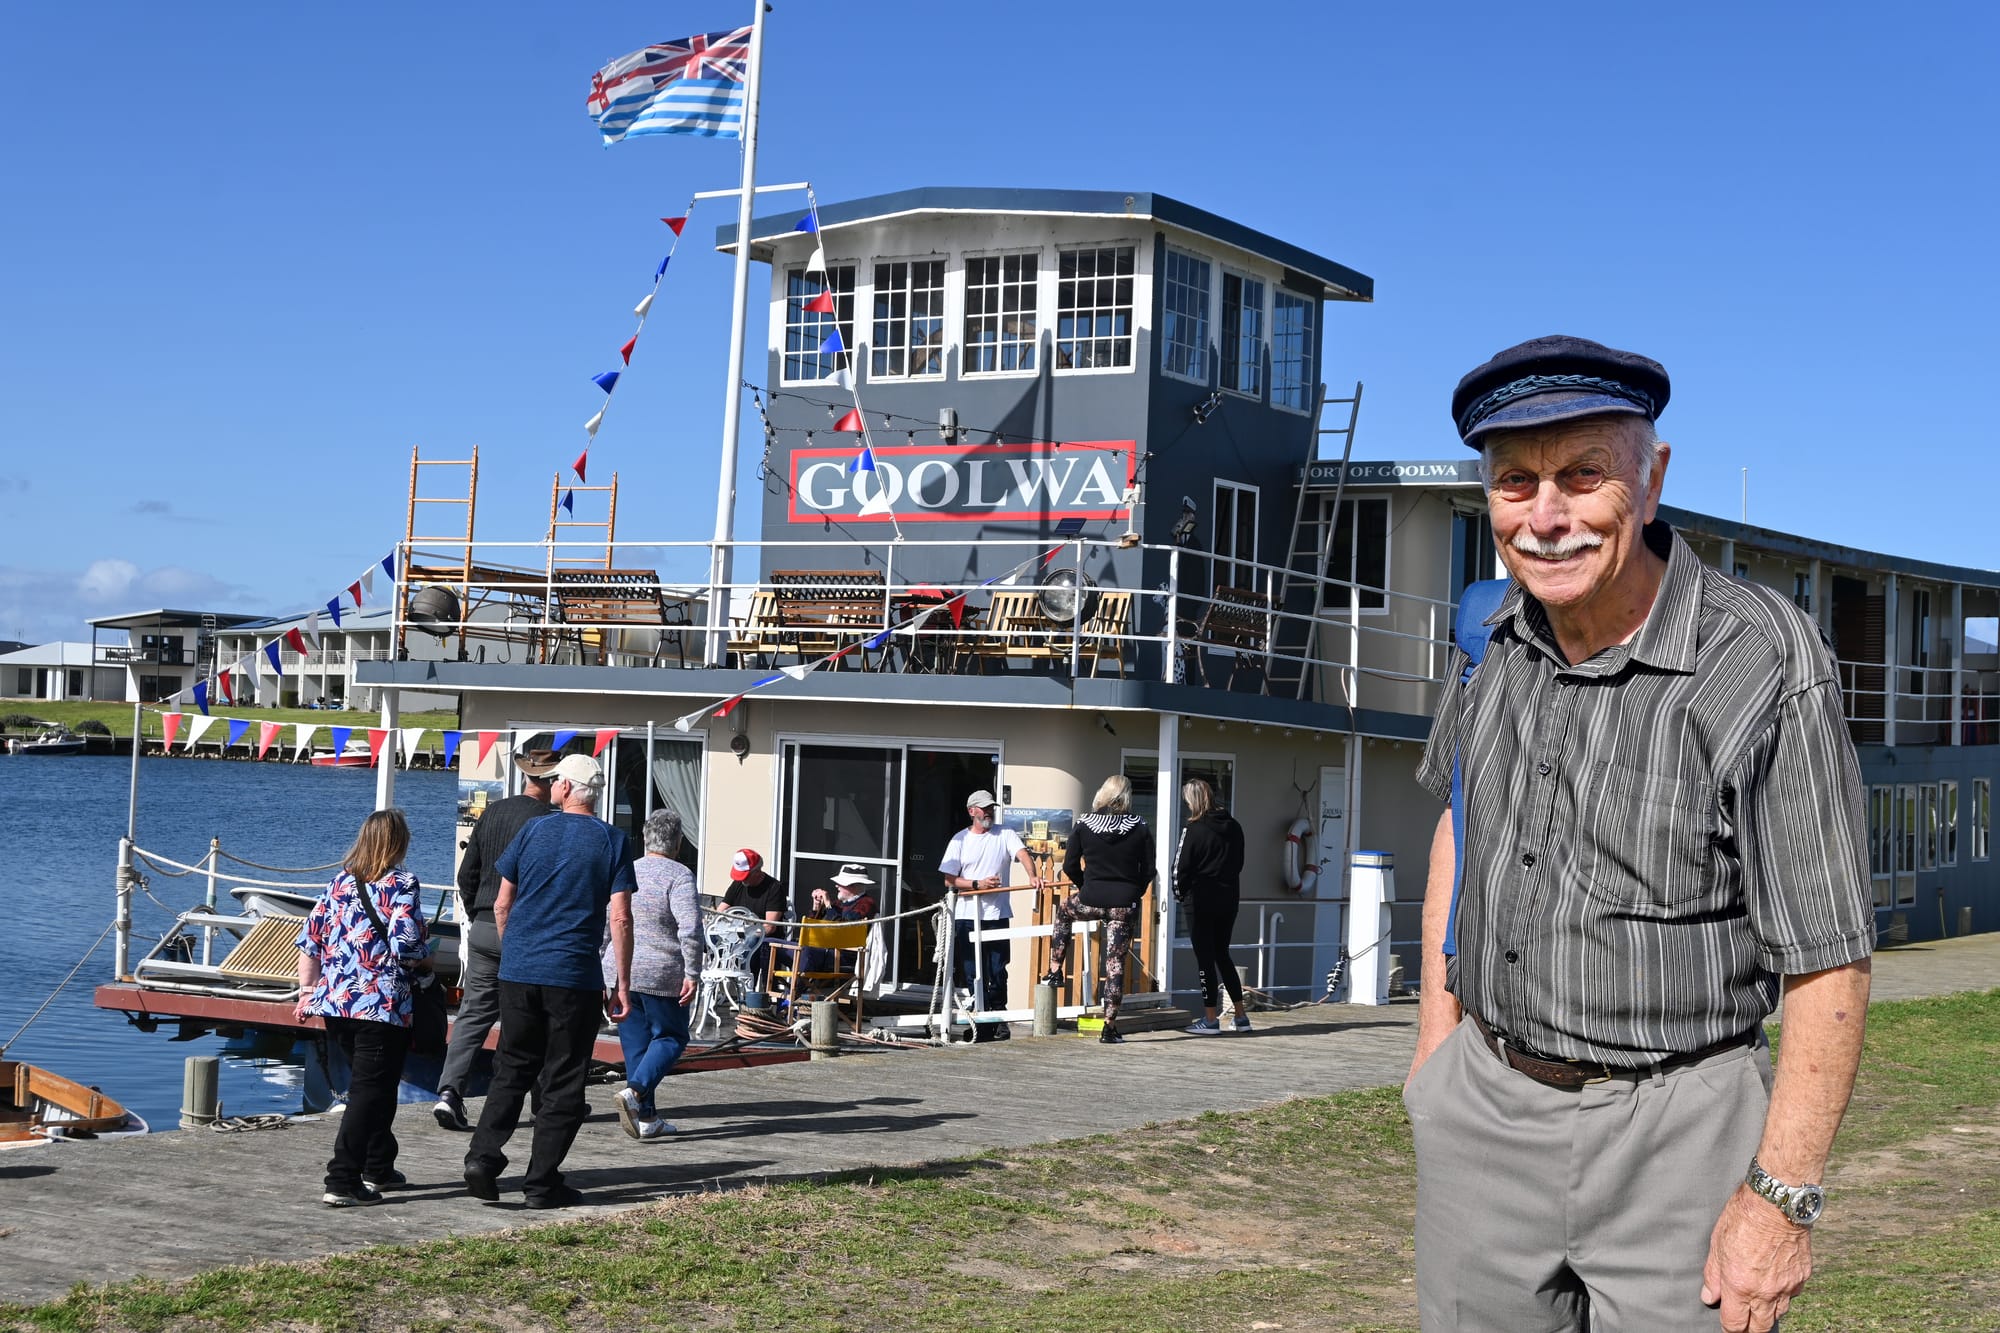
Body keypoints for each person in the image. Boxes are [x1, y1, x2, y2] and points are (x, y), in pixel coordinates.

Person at [1406, 336, 1873, 1332]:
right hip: (1484, 1109)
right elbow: (1459, 823)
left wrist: (1780, 1198)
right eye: (1514, 483)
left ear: (1650, 479)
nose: (1545, 517)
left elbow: (1827, 959)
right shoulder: (1489, 636)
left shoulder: (1758, 658)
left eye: (1582, 477)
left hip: (1678, 1127)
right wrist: (1432, 1054)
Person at [464, 753, 636, 1209]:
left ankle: (482, 1156)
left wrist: (514, 950)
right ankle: (541, 1183)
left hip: (519, 971)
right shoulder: (612, 840)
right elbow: (619, 916)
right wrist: (621, 983)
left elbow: (502, 904)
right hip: (573, 974)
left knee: (511, 1067)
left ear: (564, 789)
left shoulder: (533, 830)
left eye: (556, 780)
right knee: (563, 1078)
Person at [294, 808, 433, 1207]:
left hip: (337, 1003)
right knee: (368, 1092)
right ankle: (341, 1179)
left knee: (378, 1086)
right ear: (399, 842)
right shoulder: (402, 881)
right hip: (380, 1005)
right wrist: (425, 957)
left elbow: (311, 940)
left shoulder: (339, 882)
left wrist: (306, 992)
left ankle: (378, 1165)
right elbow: (405, 944)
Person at [433, 747, 559, 1132]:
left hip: (485, 924)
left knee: (473, 1014)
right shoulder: (549, 823)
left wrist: (476, 914)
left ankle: (449, 1093)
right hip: (526, 929)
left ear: (525, 776)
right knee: (534, 1016)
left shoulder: (493, 812)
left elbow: (466, 874)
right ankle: (542, 1102)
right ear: (554, 782)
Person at [608, 807, 702, 1143]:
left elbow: (610, 921)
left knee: (636, 1046)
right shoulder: (679, 875)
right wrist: (693, 971)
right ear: (677, 842)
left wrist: (602, 964)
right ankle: (635, 1093)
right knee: (672, 1038)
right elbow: (689, 928)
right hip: (662, 971)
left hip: (621, 969)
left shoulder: (626, 869)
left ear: (646, 838)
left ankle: (646, 1117)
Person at [1044, 775, 1155, 1046]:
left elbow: (1070, 865)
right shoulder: (1139, 826)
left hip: (1091, 897)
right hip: (1124, 903)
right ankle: (1109, 1027)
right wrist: (1134, 892)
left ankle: (1055, 969)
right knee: (1115, 964)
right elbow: (1149, 869)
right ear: (1127, 796)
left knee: (1064, 913)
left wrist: (1086, 888)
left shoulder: (1084, 824)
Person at [939, 789, 1041, 1041]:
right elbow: (949, 879)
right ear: (971, 811)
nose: (989, 812)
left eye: (991, 808)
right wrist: (977, 885)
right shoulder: (959, 840)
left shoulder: (1004, 833)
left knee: (997, 968)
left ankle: (998, 1019)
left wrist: (1032, 875)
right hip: (966, 914)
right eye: (984, 808)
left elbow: (1022, 854)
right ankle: (980, 1021)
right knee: (974, 970)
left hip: (996, 913)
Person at [1172, 779, 1248, 1035]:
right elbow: (1239, 864)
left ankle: (1210, 1019)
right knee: (1222, 955)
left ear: (1192, 801)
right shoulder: (1235, 826)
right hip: (1229, 899)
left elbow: (1179, 869)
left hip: (1201, 901)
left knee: (1205, 959)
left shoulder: (1193, 830)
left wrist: (1180, 895)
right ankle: (1241, 1016)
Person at [798, 862, 879, 973]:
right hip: (824, 951)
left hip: (843, 957)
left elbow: (843, 928)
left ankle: (795, 989)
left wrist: (828, 904)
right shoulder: (839, 904)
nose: (836, 886)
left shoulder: (866, 904)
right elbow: (810, 928)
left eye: (840, 883)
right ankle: (774, 987)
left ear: (853, 886)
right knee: (769, 943)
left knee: (804, 951)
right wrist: (816, 906)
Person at [722, 848, 787, 984]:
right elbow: (720, 911)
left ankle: (744, 983)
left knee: (750, 941)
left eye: (745, 876)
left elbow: (769, 928)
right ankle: (718, 979)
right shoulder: (738, 884)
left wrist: (744, 933)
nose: (742, 880)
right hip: (736, 935)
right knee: (710, 938)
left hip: (762, 938)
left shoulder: (774, 888)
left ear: (757, 871)